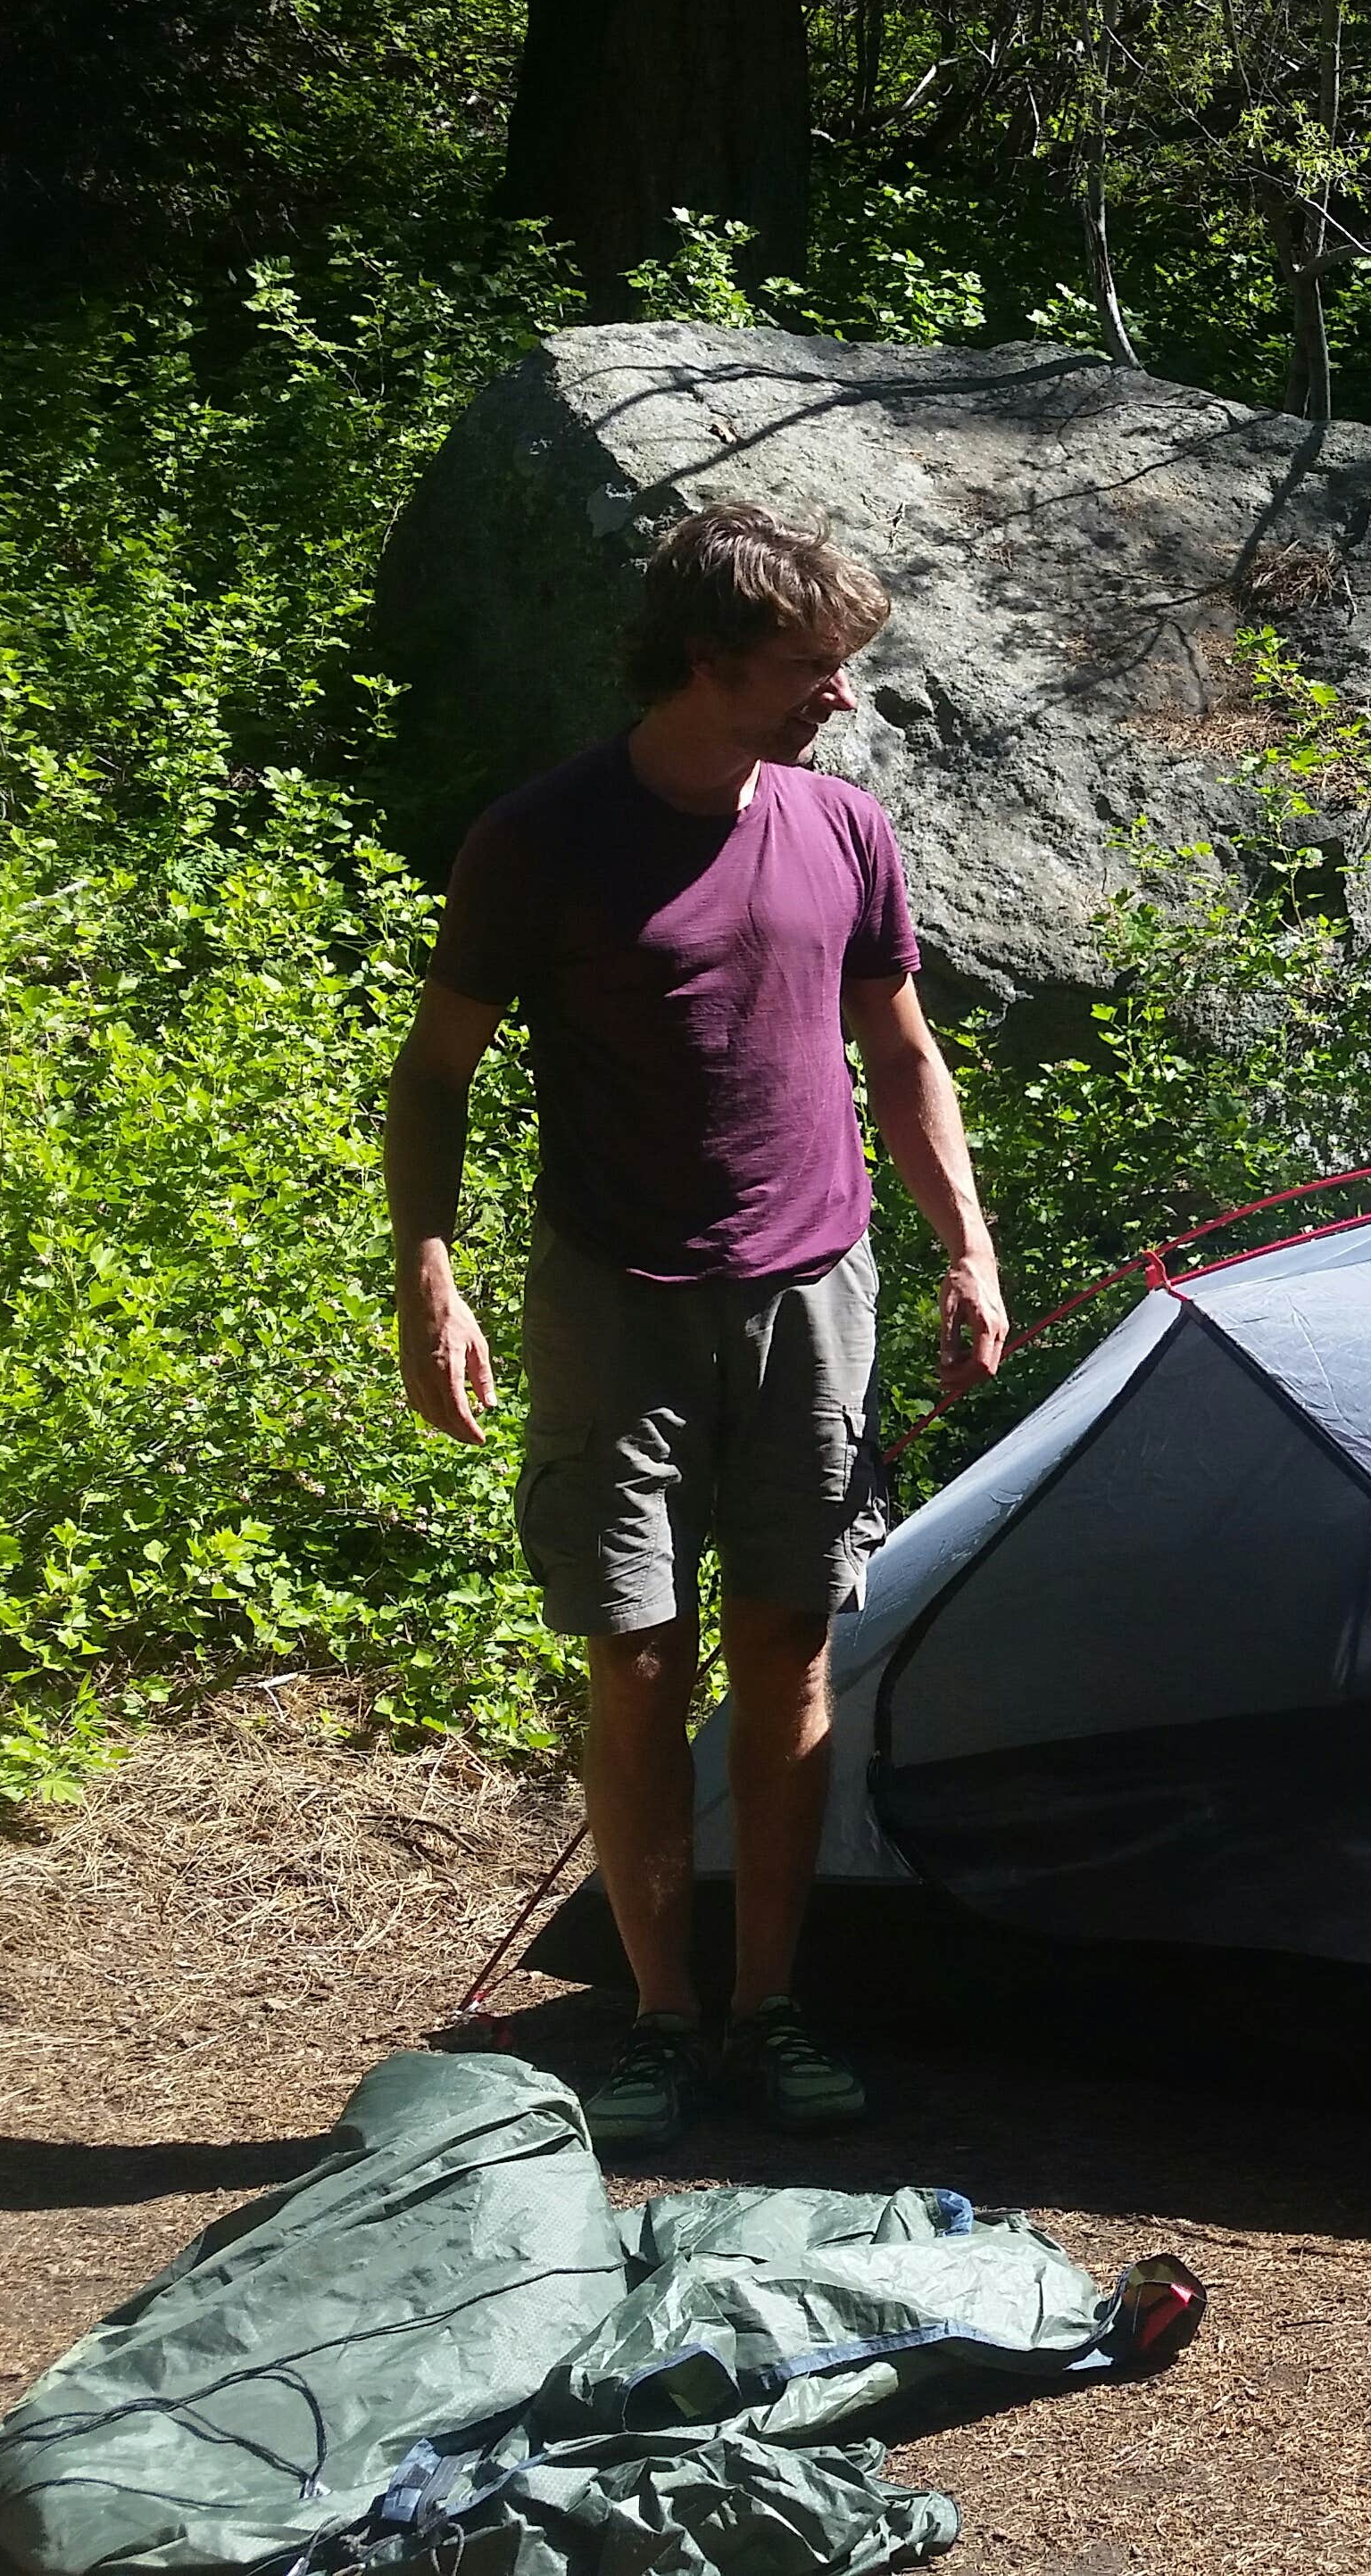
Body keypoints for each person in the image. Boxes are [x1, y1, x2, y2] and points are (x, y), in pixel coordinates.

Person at [381, 501, 1005, 2159]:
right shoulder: (542, 839)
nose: (841, 701)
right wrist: (425, 1271)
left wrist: (967, 1244)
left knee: (790, 1652)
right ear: (712, 663)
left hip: (818, 1291)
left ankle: (770, 2002)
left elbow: (904, 1050)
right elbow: (434, 1071)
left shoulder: (843, 829)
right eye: (814, 670)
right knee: (639, 1658)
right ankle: (660, 2019)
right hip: (618, 1302)